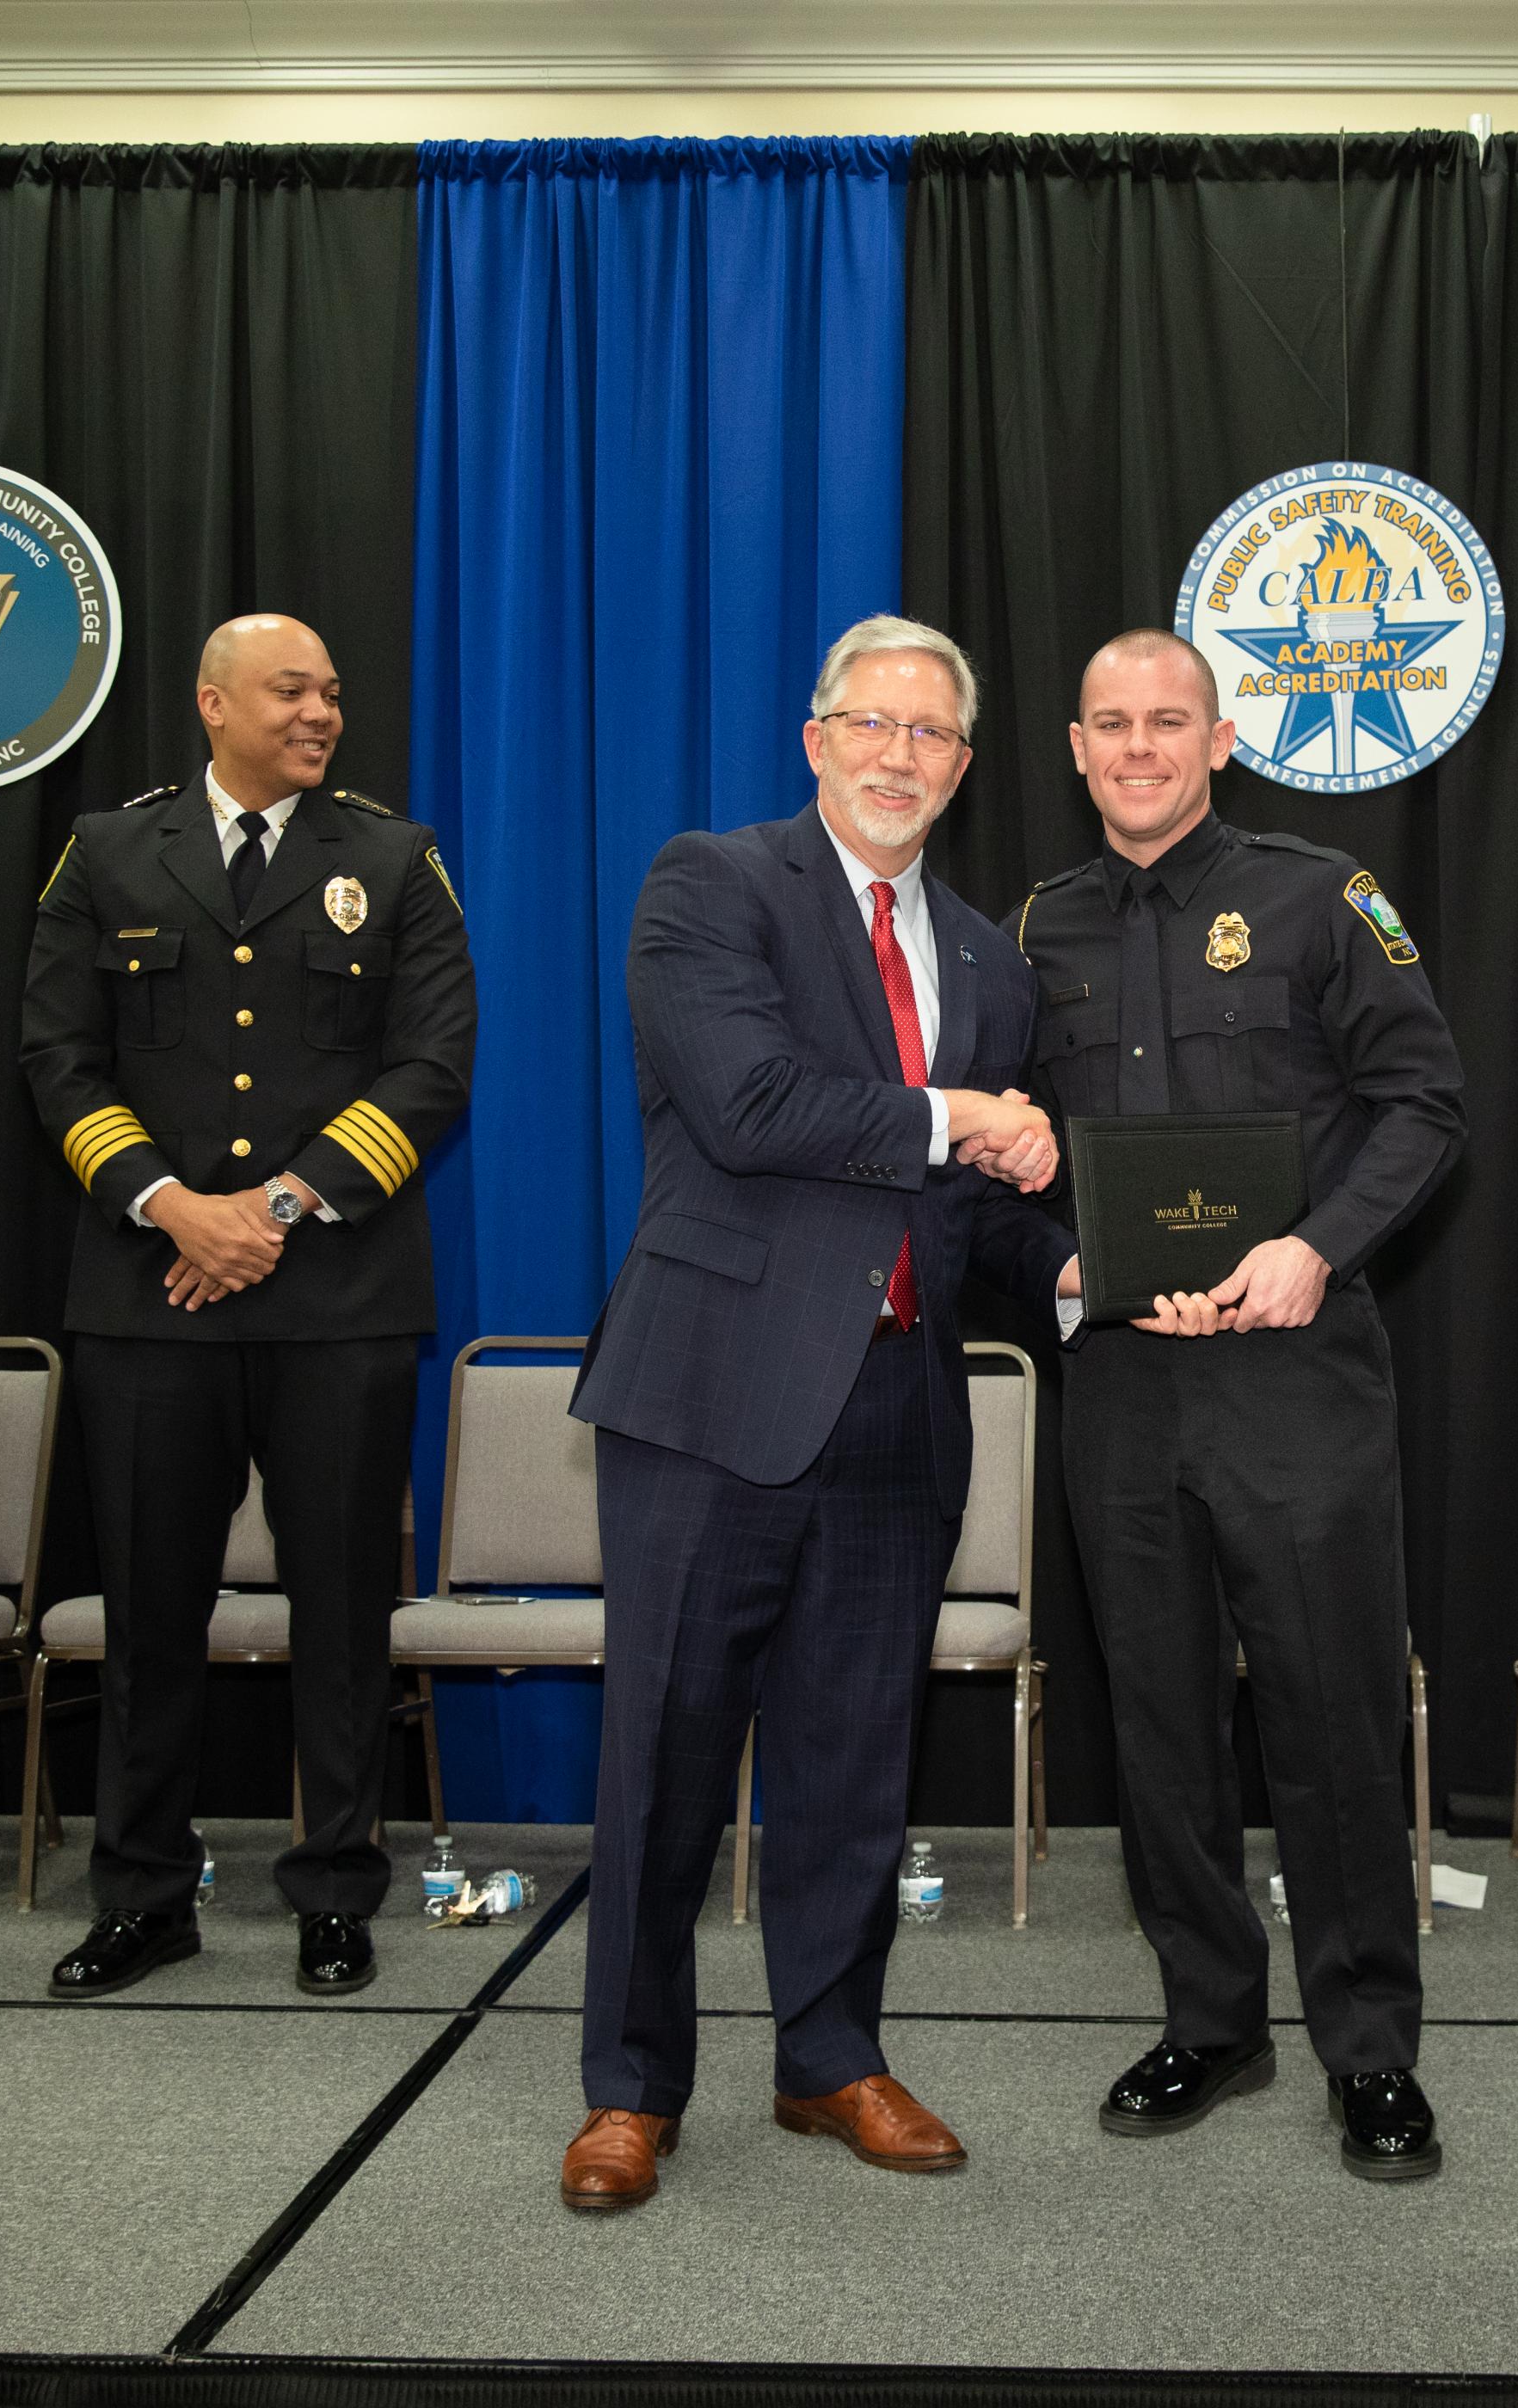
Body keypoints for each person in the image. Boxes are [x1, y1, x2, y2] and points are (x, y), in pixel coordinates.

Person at [560, 615, 1074, 2214]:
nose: (898, 756)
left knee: (854, 1764)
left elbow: (967, 1211)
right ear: (816, 738)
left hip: (901, 1409)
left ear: (963, 767)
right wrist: (961, 1114)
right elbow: (750, 1102)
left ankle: (830, 2057)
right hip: (712, 1396)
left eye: (931, 734)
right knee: (665, 1757)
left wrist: (1076, 1273)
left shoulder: (989, 959)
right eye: (872, 723)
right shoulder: (712, 884)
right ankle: (631, 2088)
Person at [1008, 629, 1466, 2182]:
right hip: (1124, 1384)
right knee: (1158, 1722)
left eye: (1169, 721)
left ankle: (1371, 2047)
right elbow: (1006, 1156)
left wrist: (1316, 1247)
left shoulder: (1322, 897)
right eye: (1112, 722)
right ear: (1078, 747)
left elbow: (1425, 1105)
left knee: (1332, 1716)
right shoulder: (1033, 930)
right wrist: (1062, 1261)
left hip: (1294, 1374)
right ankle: (1210, 2018)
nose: (1140, 747)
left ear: (1220, 740)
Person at [18, 614, 476, 2003]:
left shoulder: (392, 859)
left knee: (342, 1617)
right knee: (150, 1616)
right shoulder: (106, 852)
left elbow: (433, 1065)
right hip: (149, 1297)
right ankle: (142, 1897)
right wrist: (173, 1206)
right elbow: (57, 1056)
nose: (321, 713)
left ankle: (335, 1892)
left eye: (332, 692)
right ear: (213, 704)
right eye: (291, 692)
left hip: (338, 1299)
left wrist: (268, 1212)